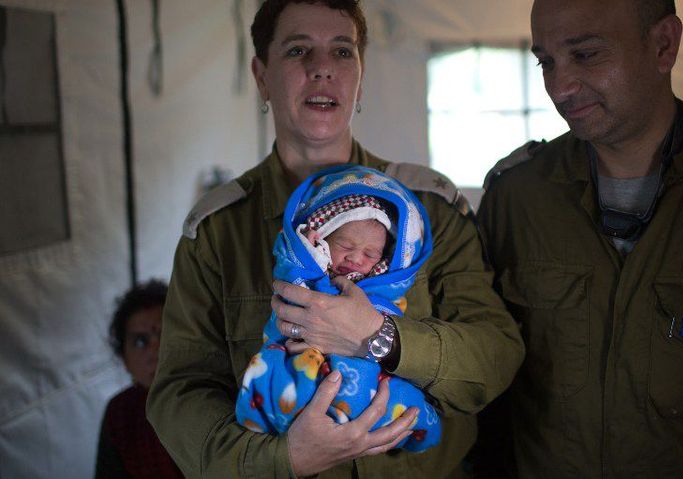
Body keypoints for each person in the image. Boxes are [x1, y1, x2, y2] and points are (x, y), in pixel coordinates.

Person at [147, 0, 524, 477]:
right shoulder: (218, 231)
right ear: (262, 77)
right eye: (298, 50)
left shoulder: (430, 210)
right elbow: (181, 390)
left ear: (360, 78)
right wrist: (284, 460)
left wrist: (380, 337)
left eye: (342, 52)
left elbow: (495, 353)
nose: (322, 68)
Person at [477, 0, 683, 476]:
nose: (560, 87)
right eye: (546, 62)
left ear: (663, 45)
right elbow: (489, 395)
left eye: (585, 54)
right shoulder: (517, 198)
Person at [235, 165, 441, 453]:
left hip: (367, 371)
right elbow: (293, 265)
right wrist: (308, 252)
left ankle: (400, 425)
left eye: (371, 254)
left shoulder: (382, 284)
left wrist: (375, 332)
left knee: (401, 401)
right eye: (345, 245)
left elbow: (393, 312)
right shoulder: (309, 267)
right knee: (276, 378)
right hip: (299, 355)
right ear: (324, 237)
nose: (357, 258)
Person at [95, 280, 183, 479]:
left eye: (165, 335)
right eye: (140, 341)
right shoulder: (120, 414)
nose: (156, 350)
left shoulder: (218, 395)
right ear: (124, 359)